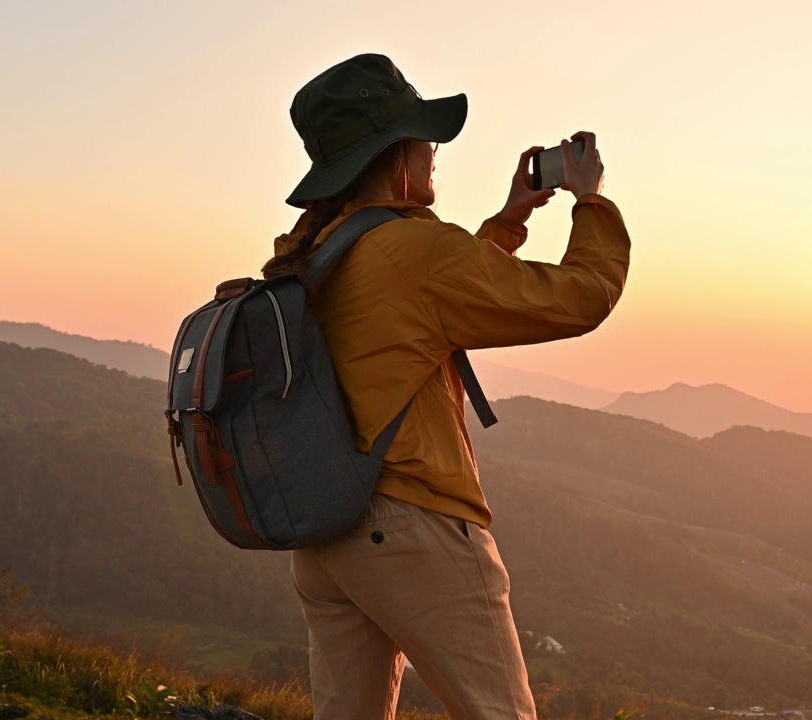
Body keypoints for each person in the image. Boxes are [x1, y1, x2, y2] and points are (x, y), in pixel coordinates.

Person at [262, 54, 631, 720]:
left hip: (328, 543)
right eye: (424, 138)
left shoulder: (321, 251)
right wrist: (590, 200)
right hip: (410, 530)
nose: (434, 152)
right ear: (396, 153)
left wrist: (511, 219)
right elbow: (583, 297)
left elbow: (429, 300)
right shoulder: (410, 250)